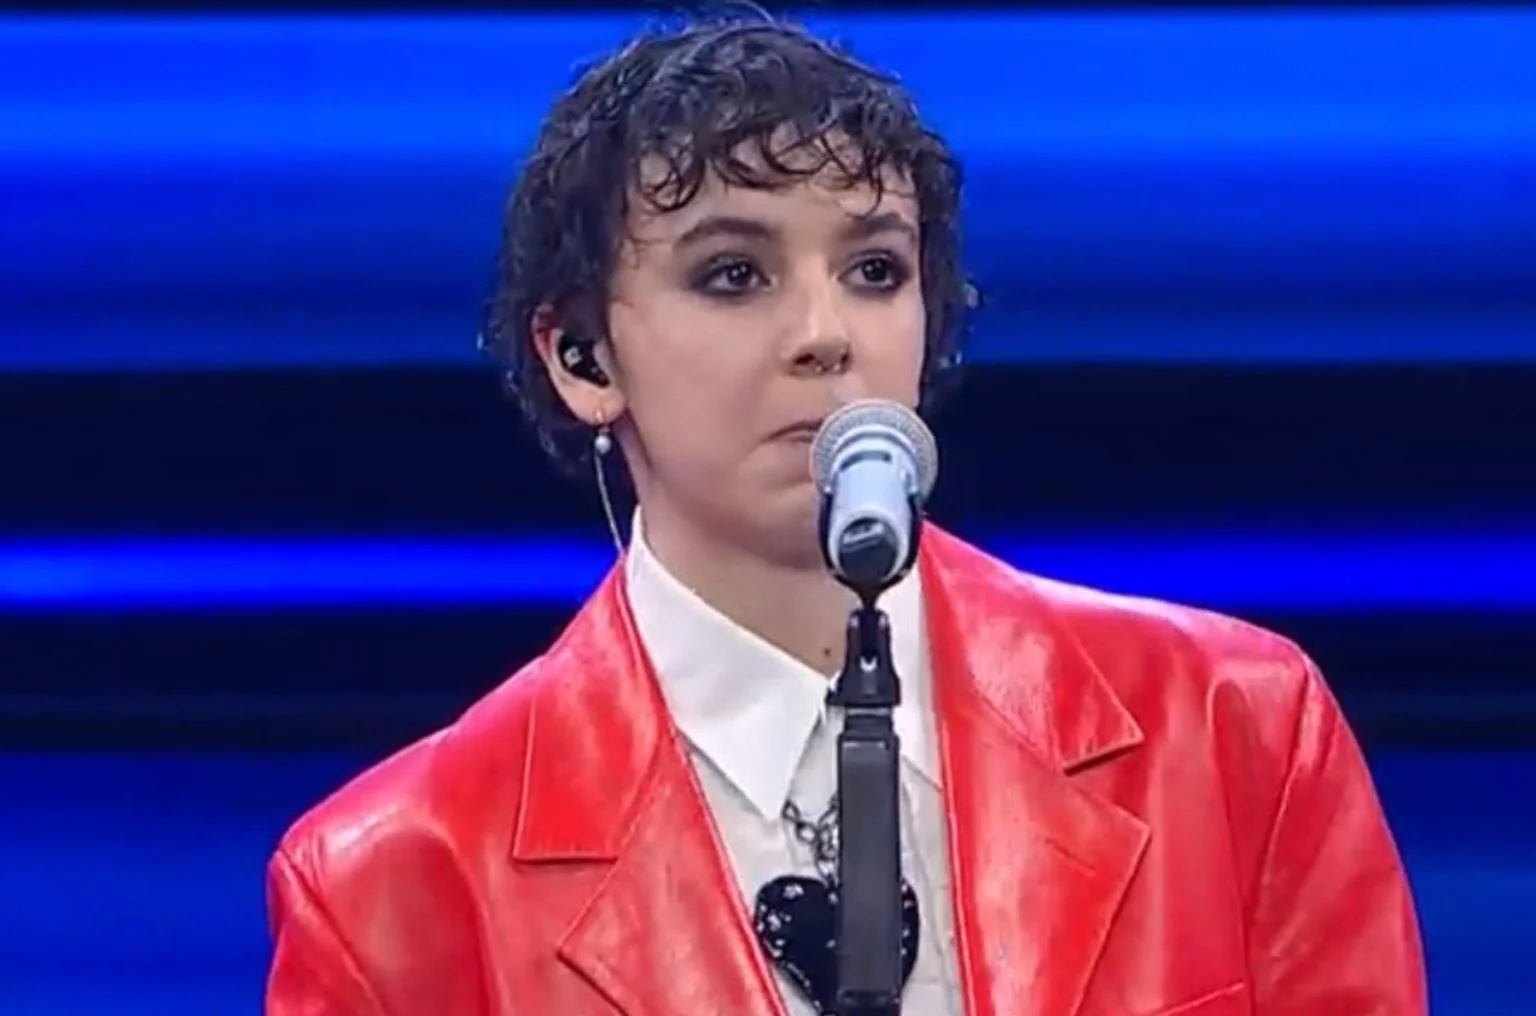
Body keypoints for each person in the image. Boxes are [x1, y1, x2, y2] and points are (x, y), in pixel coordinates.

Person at [264, 11, 1427, 1016]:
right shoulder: (394, 881)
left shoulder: (1231, 729)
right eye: (734, 274)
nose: (827, 334)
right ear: (581, 354)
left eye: (875, 270)